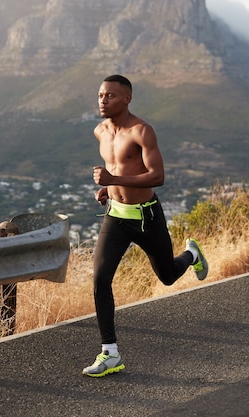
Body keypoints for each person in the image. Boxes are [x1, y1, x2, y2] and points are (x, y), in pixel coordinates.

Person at [82, 75, 209, 377]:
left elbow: (156, 176)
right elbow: (118, 168)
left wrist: (114, 180)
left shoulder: (142, 131)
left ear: (127, 99)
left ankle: (190, 255)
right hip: (116, 216)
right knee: (100, 278)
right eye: (101, 95)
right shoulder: (99, 131)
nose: (103, 100)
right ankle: (110, 353)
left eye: (111, 95)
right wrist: (107, 190)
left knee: (166, 276)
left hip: (146, 217)